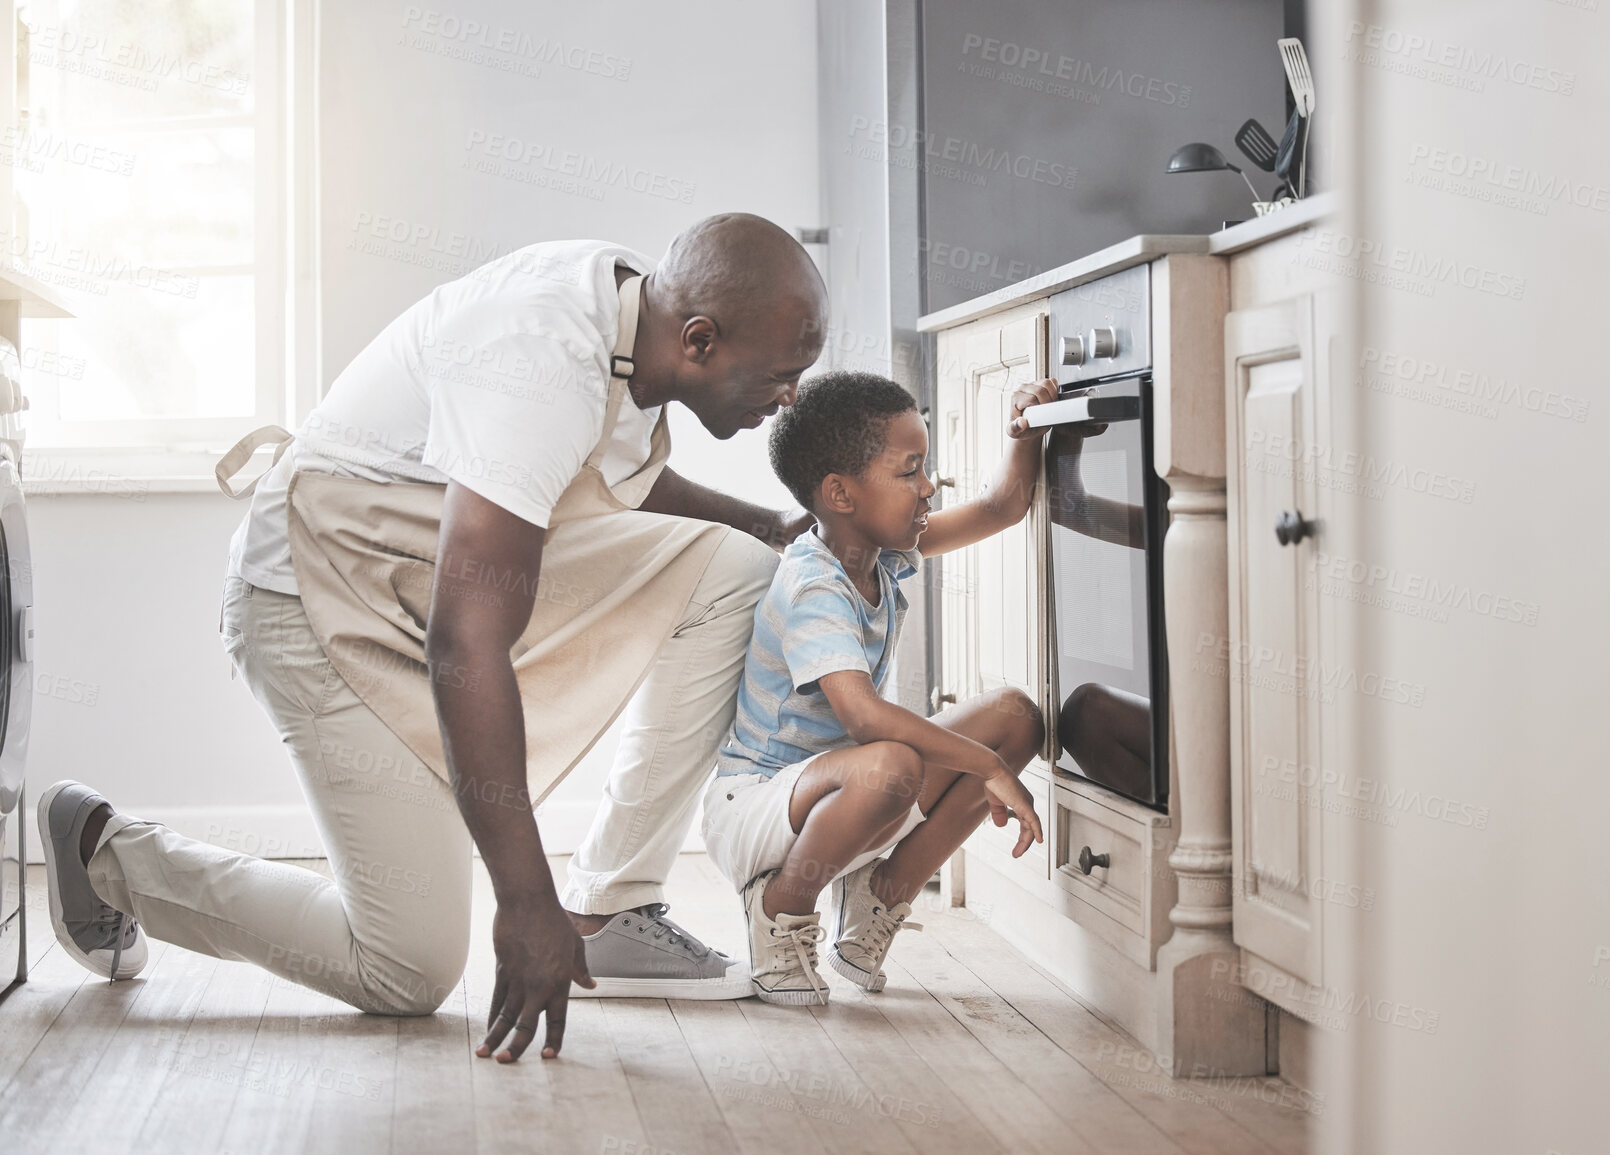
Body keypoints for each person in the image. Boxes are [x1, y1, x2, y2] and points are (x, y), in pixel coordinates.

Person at [35, 213, 827, 1063]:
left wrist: (763, 521)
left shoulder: (638, 315)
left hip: (417, 577)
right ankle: (105, 850)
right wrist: (523, 899)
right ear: (700, 341)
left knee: (739, 569)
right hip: (314, 596)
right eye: (783, 376)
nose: (789, 398)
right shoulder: (541, 360)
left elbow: (604, 467)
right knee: (408, 966)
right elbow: (464, 643)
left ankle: (609, 909)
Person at [699, 369, 1057, 1005]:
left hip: (851, 792)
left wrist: (1024, 431)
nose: (928, 488)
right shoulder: (815, 583)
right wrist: (987, 766)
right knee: (890, 762)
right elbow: (864, 719)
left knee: (1015, 717)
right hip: (758, 806)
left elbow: (1002, 508)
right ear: (841, 494)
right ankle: (781, 908)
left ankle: (877, 897)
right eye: (910, 471)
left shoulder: (882, 551)